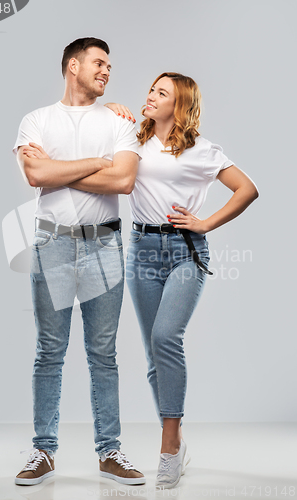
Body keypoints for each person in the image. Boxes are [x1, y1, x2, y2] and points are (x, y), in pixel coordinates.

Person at [105, 72, 259, 489]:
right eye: (151, 89)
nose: (151, 96)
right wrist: (108, 110)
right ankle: (177, 439)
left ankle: (169, 446)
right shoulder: (132, 141)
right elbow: (103, 148)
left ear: (181, 105)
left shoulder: (203, 151)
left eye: (162, 93)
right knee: (155, 354)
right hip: (141, 250)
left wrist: (205, 223)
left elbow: (247, 188)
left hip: (185, 253)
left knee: (166, 337)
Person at [12, 37, 145, 486]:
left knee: (103, 354)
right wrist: (95, 164)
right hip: (52, 244)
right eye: (99, 63)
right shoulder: (36, 119)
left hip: (105, 246)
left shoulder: (120, 120)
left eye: (110, 65)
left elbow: (124, 181)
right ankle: (43, 452)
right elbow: (36, 174)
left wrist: (61, 168)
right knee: (49, 351)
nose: (107, 71)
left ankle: (110, 451)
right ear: (73, 65)